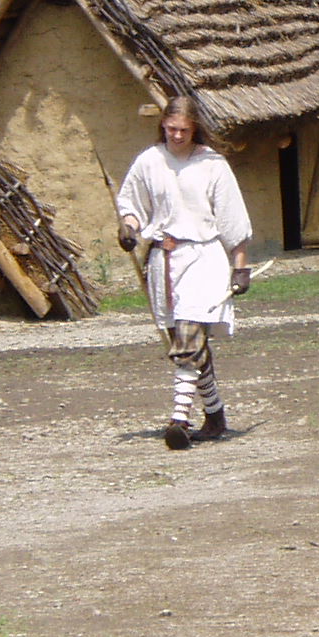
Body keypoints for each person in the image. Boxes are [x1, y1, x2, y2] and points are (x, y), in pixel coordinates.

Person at [116, 95, 253, 449]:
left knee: (189, 338)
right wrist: (129, 228)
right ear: (163, 125)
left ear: (195, 129)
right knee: (185, 342)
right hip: (163, 260)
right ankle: (216, 414)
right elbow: (132, 204)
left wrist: (241, 266)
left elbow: (232, 219)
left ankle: (178, 419)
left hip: (202, 258)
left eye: (184, 130)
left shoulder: (212, 165)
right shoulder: (149, 161)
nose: (177, 135)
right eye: (171, 128)